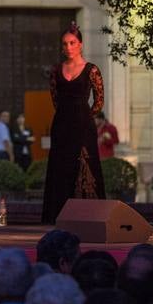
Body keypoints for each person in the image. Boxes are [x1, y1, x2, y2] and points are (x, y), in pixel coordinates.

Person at [42, 22, 106, 224]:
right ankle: (58, 216)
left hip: (83, 125)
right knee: (60, 168)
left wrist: (86, 115)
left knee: (85, 167)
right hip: (61, 125)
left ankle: (89, 217)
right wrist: (66, 115)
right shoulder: (55, 70)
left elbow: (99, 101)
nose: (68, 47)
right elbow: (55, 99)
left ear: (80, 44)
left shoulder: (91, 70)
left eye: (72, 43)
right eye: (65, 44)